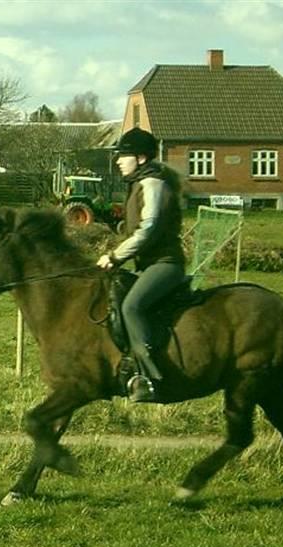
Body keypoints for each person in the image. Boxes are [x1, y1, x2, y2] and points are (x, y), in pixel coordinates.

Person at [97, 127, 186, 402]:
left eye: (124, 155)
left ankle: (150, 378)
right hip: (148, 264)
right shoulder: (139, 183)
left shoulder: (152, 184)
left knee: (131, 306)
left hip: (165, 264)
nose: (118, 161)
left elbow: (148, 229)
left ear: (142, 158)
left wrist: (115, 257)